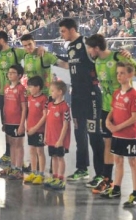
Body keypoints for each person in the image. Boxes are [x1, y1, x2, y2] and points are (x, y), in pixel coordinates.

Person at [85, 34, 136, 192]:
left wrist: (130, 57)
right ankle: (107, 179)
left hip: (123, 109)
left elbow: (132, 69)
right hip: (106, 108)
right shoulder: (97, 61)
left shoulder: (118, 56)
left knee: (127, 153)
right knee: (107, 143)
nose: (88, 51)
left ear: (96, 48)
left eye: (89, 48)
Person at [58, 18, 105, 186]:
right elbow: (68, 65)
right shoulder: (70, 47)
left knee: (94, 134)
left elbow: (101, 57)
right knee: (79, 133)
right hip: (76, 95)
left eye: (63, 31)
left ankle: (101, 174)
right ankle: (82, 168)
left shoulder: (86, 43)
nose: (61, 34)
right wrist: (50, 58)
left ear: (72, 29)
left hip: (91, 95)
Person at [0, 31, 27, 165]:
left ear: (2, 40)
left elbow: (30, 51)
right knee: (6, 125)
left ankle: (19, 160)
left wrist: (39, 49)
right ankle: (8, 154)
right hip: (4, 93)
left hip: (16, 93)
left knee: (17, 124)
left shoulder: (16, 52)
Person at [101, 62, 136, 208]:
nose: (119, 76)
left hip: (130, 135)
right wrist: (108, 120)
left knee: (133, 163)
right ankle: (116, 189)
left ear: (130, 75)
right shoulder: (116, 93)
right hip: (117, 135)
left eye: (122, 73)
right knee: (118, 161)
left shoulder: (133, 95)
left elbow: (134, 117)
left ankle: (134, 192)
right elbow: (113, 109)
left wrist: (117, 127)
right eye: (117, 73)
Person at [0, 65, 27, 180]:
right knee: (11, 144)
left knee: (18, 145)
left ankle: (18, 169)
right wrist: (4, 122)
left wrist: (21, 124)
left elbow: (24, 108)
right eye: (9, 72)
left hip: (17, 122)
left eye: (13, 72)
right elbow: (5, 105)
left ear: (19, 75)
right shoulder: (6, 88)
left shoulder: (21, 89)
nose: (9, 74)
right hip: (8, 121)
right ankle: (13, 166)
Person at [44, 80, 71, 190]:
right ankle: (54, 177)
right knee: (53, 157)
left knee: (60, 157)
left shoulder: (64, 107)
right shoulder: (50, 105)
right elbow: (47, 122)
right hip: (50, 137)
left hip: (59, 139)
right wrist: (46, 135)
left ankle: (61, 179)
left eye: (53, 91)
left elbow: (65, 125)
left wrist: (60, 140)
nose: (51, 93)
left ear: (60, 92)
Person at [24, 76, 48, 185]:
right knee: (32, 150)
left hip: (39, 130)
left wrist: (35, 128)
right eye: (28, 87)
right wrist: (26, 125)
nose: (29, 89)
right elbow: (27, 113)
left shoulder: (44, 99)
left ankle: (41, 174)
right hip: (30, 129)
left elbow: (44, 116)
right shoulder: (29, 98)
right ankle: (33, 172)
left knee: (40, 151)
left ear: (38, 87)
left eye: (31, 87)